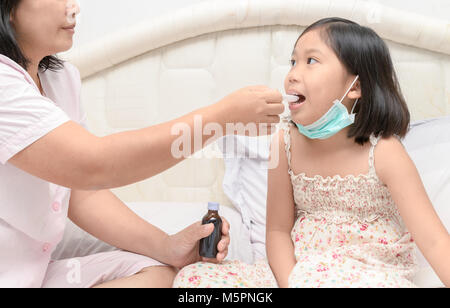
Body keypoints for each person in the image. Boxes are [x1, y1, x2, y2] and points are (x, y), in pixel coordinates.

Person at [0, 0, 284, 287]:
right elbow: (93, 164)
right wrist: (221, 118)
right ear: (8, 10)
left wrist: (167, 247)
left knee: (158, 275)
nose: (73, 8)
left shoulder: (60, 78)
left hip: (34, 273)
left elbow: (81, 192)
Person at [172, 17, 450, 288]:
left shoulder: (385, 152)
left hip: (369, 272)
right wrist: (291, 281)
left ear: (355, 87)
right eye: (293, 61)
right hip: (301, 272)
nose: (293, 74)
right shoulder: (284, 142)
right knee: (195, 279)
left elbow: (435, 241)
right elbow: (278, 231)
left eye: (311, 61)